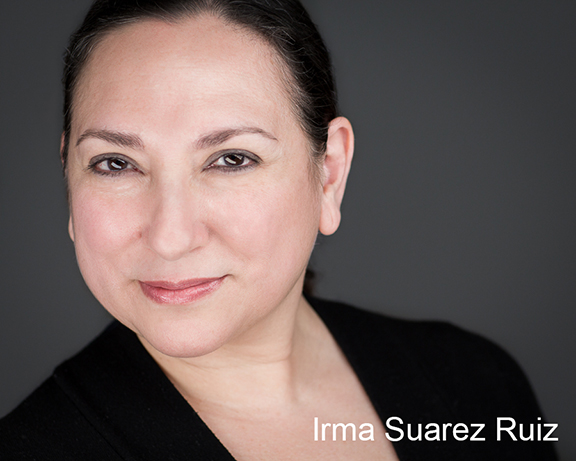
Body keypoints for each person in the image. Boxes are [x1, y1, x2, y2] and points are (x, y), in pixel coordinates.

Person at [0, 0, 558, 459]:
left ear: (329, 174)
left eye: (231, 159)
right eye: (115, 164)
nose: (170, 237)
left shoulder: (478, 387)